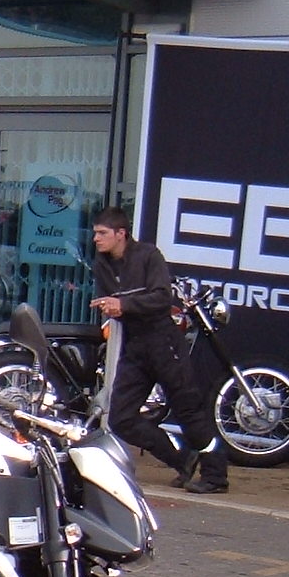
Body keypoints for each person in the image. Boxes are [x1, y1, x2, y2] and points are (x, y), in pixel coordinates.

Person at [89, 205, 227, 494]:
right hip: (134, 346)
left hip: (164, 342)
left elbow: (162, 298)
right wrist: (110, 307)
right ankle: (182, 459)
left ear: (121, 233)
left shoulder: (149, 255)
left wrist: (124, 304)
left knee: (188, 409)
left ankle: (216, 476)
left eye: (102, 233)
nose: (96, 239)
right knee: (121, 418)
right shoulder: (102, 264)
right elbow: (113, 301)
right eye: (95, 233)